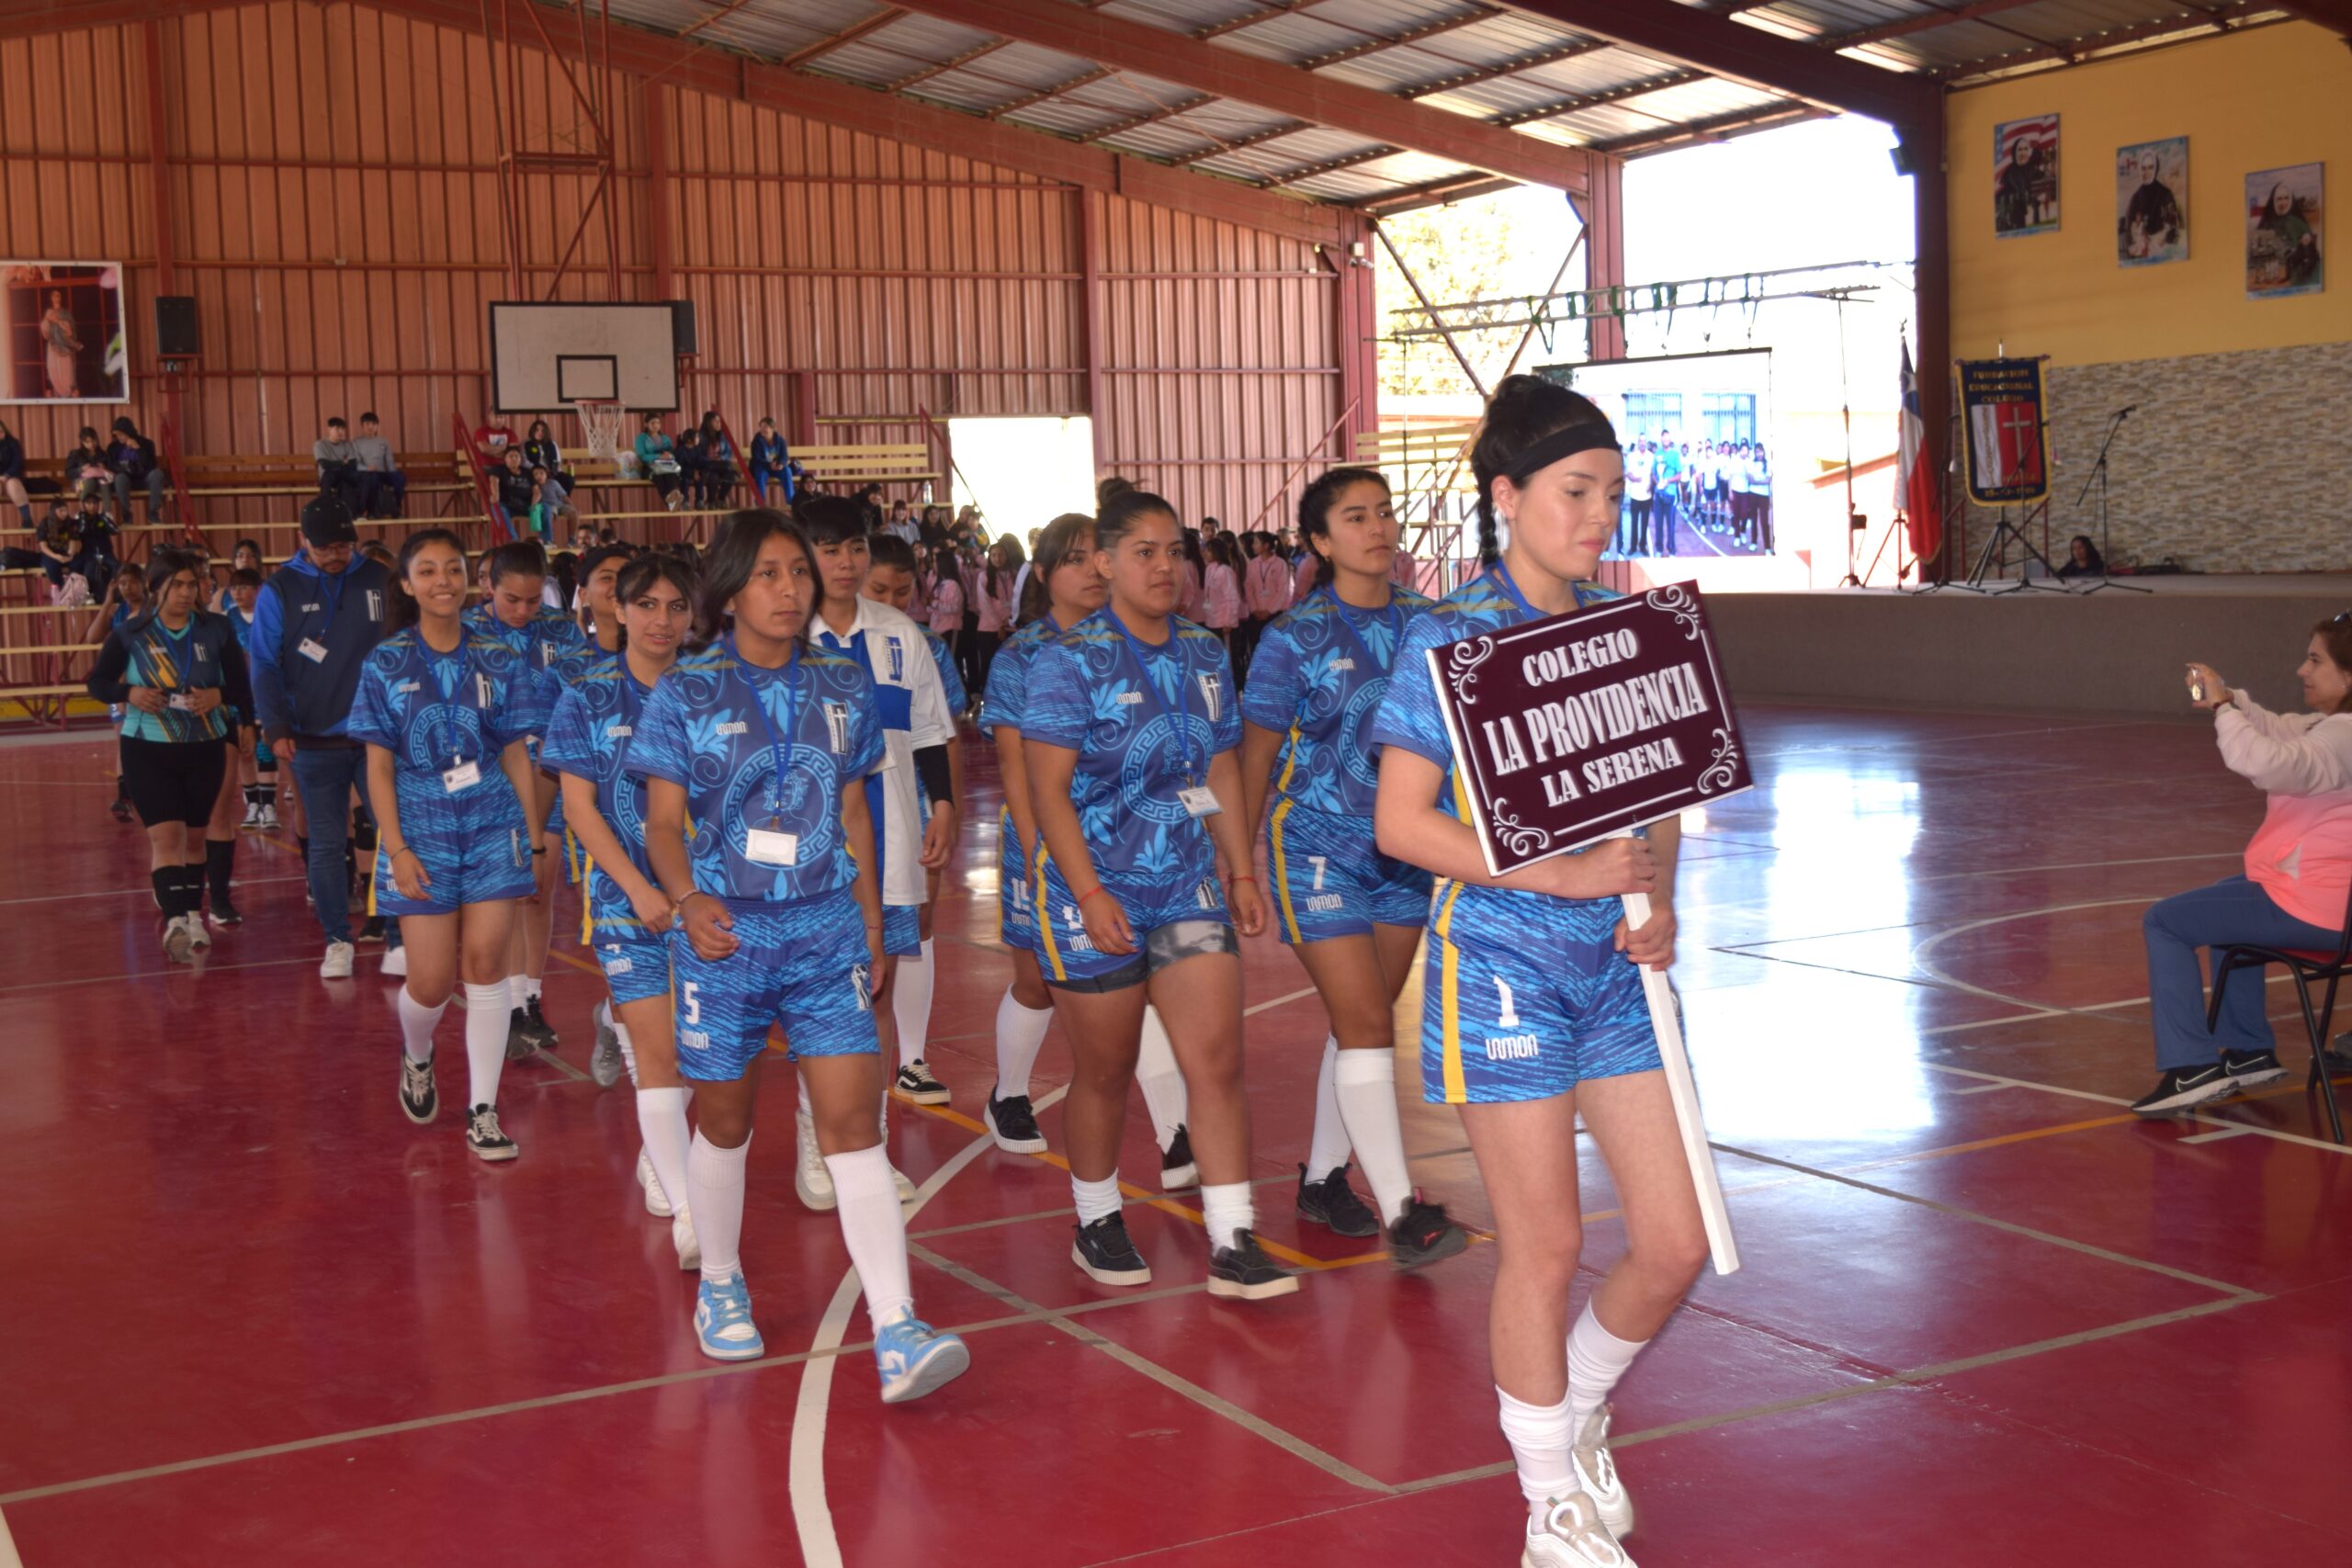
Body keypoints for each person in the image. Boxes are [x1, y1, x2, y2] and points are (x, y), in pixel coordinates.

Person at [1371, 374, 1704, 1567]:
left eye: (1613, 492)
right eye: (1576, 490)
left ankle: (1579, 1407)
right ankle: (1548, 1502)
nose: (1599, 515)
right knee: (1547, 1244)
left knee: (1674, 1242)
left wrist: (1655, 897)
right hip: (1502, 967)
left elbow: (1658, 802)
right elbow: (1401, 822)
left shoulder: (1627, 630)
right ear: (1507, 496)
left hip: (1616, 972)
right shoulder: (1447, 637)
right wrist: (1554, 875)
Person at [628, 507, 970, 1396]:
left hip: (825, 933)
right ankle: (721, 1284)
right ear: (730, 589)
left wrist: (871, 923)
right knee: (727, 1123)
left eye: (798, 573)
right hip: (726, 939)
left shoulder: (842, 685)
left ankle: (895, 1324)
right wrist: (687, 899)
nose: (790, 590)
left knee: (855, 1127)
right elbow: (661, 825)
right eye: (769, 575)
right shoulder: (686, 691)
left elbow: (854, 811)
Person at [1021, 489, 1291, 1300]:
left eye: (1175, 551)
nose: (1166, 566)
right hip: (1093, 891)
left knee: (1217, 1061)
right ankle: (1096, 1218)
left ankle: (1233, 1236)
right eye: (1144, 551)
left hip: (1185, 885)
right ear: (1105, 562)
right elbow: (1047, 792)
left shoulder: (1205, 653)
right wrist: (1088, 891)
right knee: (1105, 1071)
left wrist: (1240, 869)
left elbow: (1219, 765)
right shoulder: (1067, 660)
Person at [1240, 468, 1464, 1268]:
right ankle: (1404, 1210)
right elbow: (1254, 757)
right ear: (1321, 540)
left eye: (1385, 512)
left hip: (1406, 852)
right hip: (1316, 847)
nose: (1378, 527)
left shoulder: (1430, 624)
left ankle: (1322, 1177)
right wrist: (1238, 866)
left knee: (1358, 1023)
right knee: (1367, 1022)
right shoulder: (1292, 638)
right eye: (1356, 516)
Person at [978, 513, 1195, 1179]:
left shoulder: (1136, 643)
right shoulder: (1022, 656)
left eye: (1095, 557)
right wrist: (1041, 856)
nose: (1091, 572)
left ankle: (1176, 1133)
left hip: (1137, 848)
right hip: (1049, 848)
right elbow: (1018, 768)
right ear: (1044, 574)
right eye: (1072, 560)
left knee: (1143, 982)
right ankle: (1009, 1094)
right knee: (1035, 985)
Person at [353, 528, 546, 1162]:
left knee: (487, 965)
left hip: (492, 823)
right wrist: (398, 849)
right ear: (408, 584)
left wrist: (531, 839)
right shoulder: (384, 663)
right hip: (420, 827)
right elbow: (378, 768)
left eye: (455, 569)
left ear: (472, 580)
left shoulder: (499, 656)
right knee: (432, 981)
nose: (444, 580)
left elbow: (515, 753)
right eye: (429, 570)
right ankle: (417, 1054)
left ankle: (483, 1110)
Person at [797, 498, 956, 1208]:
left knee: (874, 995)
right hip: (802, 859)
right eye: (829, 548)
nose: (846, 562)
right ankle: (817, 1138)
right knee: (814, 1000)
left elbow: (927, 731)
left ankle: (868, 1144)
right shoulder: (782, 634)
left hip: (889, 846)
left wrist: (942, 803)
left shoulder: (899, 634)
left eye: (854, 547)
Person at [543, 550, 703, 1254]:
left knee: (700, 1051)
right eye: (646, 605)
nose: (661, 620)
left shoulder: (713, 691)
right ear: (618, 608)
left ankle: (656, 1152)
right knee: (659, 1052)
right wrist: (638, 888)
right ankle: (692, 1212)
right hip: (623, 898)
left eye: (676, 606)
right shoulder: (585, 697)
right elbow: (579, 806)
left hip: (707, 899)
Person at [2132, 635, 2352, 1114]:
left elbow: (2268, 763)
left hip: (2317, 909)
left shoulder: (2343, 738)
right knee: (2223, 902)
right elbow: (2282, 730)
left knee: (2164, 921)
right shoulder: (2330, 728)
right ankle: (2248, 1050)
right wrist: (2231, 700)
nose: (2302, 670)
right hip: (2337, 907)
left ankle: (2190, 1067)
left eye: (2315, 660)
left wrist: (2222, 711)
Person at [249, 494, 392, 978]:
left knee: (394, 835)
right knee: (328, 844)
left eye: (344, 546)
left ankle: (399, 937)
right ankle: (337, 940)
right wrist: (275, 725)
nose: (336, 556)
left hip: (377, 739)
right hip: (312, 740)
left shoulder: (379, 579)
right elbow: (264, 663)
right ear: (302, 541)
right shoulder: (280, 590)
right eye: (325, 547)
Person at [84, 548, 250, 963]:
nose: (186, 592)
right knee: (165, 838)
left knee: (195, 839)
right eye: (176, 585)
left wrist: (220, 697)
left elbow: (241, 686)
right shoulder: (131, 632)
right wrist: (129, 693)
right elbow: (97, 682)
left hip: (205, 747)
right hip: (147, 748)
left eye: (192, 584)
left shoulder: (216, 628)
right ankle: (176, 920)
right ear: (156, 587)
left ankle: (193, 915)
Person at [462, 540, 589, 1058]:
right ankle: (508, 1002)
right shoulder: (466, 632)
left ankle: (530, 997)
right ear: (488, 586)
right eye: (511, 599)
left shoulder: (562, 631)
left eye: (533, 600)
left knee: (540, 884)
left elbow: (580, 700)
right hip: (491, 777)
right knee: (506, 891)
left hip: (550, 772)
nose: (522, 610)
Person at [862, 533, 967, 1079]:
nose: (891, 601)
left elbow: (941, 735)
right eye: (879, 589)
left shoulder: (921, 644)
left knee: (916, 923)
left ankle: (912, 1058)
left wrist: (947, 809)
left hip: (912, 804)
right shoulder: (818, 640)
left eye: (902, 592)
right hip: (853, 811)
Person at [2255, 181, 2322, 292]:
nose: (2283, 202)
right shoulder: (2267, 223)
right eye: (2279, 199)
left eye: (2286, 198)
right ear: (2274, 201)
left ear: (2291, 200)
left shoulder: (2299, 223)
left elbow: (2310, 252)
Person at [2122, 150, 2183, 261]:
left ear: (2156, 169)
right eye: (2143, 168)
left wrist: (2161, 241)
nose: (2146, 172)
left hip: (2162, 249)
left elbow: (2174, 226)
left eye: (2150, 168)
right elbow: (2128, 230)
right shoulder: (2135, 198)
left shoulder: (2165, 194)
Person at [107, 417, 167, 523]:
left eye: (121, 434)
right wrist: (125, 468)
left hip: (144, 479)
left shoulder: (147, 444)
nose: (119, 437)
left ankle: (153, 513)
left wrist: (138, 449)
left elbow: (151, 465)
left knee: (157, 474)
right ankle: (126, 514)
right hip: (125, 481)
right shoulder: (113, 447)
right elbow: (111, 467)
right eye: (116, 435)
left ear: (128, 432)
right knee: (120, 478)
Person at [353, 412, 407, 519]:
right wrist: (367, 468)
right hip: (367, 474)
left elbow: (389, 461)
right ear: (362, 425)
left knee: (400, 477)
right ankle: (371, 511)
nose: (371, 427)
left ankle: (398, 505)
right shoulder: (356, 442)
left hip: (382, 473)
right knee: (373, 479)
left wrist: (393, 474)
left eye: (374, 424)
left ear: (377, 426)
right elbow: (355, 463)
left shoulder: (383, 441)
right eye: (367, 424)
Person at [313, 417, 364, 515]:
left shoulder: (347, 445)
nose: (340, 432)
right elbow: (325, 464)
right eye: (337, 429)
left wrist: (337, 464)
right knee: (329, 475)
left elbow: (352, 464)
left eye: (342, 429)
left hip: (344, 476)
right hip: (329, 476)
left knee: (357, 479)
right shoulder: (320, 444)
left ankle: (355, 513)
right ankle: (325, 510)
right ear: (329, 429)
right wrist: (342, 463)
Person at [1202, 531, 1241, 652]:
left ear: (1217, 552)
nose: (1205, 553)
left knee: (1225, 653)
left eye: (1208, 551)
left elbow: (1232, 598)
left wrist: (1229, 622)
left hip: (1222, 622)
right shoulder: (1209, 568)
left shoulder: (1225, 570)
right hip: (1210, 620)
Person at [634, 415, 684, 511]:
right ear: (646, 424)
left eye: (658, 423)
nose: (656, 425)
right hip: (649, 467)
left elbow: (672, 454)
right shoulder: (641, 438)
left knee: (670, 474)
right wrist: (658, 456)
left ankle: (673, 500)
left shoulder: (665, 438)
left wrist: (670, 456)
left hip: (666, 465)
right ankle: (670, 502)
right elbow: (642, 456)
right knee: (659, 476)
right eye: (652, 423)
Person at [41, 288, 81, 398]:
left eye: (58, 295)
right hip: (53, 345)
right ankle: (56, 391)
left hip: (63, 344)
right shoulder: (49, 312)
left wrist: (65, 327)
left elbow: (71, 328)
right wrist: (47, 321)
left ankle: (67, 391)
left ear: (61, 297)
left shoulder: (65, 313)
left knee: (65, 368)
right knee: (53, 367)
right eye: (53, 295)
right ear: (51, 298)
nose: (56, 297)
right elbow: (45, 331)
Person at [491, 446, 537, 539]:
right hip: (508, 505)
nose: (514, 458)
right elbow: (494, 481)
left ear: (520, 459)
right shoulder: (499, 469)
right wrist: (495, 494)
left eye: (516, 456)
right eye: (511, 456)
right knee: (498, 509)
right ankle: (514, 541)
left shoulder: (527, 472)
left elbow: (537, 491)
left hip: (527, 505)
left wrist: (534, 504)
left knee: (545, 508)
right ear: (505, 459)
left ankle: (547, 541)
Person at [747, 417, 793, 505]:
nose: (763, 429)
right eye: (761, 427)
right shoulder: (756, 441)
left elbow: (784, 456)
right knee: (760, 474)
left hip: (776, 468)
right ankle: (760, 501)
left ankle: (791, 501)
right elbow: (756, 458)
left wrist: (781, 464)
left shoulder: (780, 440)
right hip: (763, 467)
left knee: (787, 471)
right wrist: (769, 465)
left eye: (766, 427)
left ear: (772, 428)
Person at [520, 419, 572, 494]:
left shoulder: (552, 444)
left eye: (543, 431)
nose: (540, 433)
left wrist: (553, 471)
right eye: (537, 430)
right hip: (534, 472)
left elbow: (557, 460)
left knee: (569, 480)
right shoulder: (526, 444)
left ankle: (562, 499)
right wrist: (541, 470)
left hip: (551, 472)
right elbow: (524, 462)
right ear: (532, 431)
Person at [0, 419, 31, 529]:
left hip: (11, 477)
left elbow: (17, 462)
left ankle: (27, 520)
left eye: (1, 431)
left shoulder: (13, 443)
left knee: (13, 484)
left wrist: (6, 475)